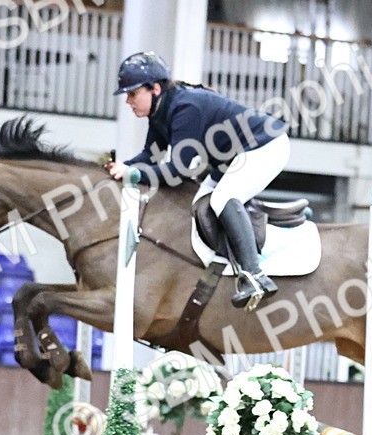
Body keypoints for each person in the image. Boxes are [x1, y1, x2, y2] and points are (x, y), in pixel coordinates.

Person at [105, 51, 289, 308]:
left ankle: (255, 276)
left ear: (155, 89)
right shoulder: (160, 112)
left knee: (223, 198)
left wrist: (132, 174)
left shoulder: (185, 108)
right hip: (232, 159)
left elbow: (178, 171)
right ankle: (224, 265)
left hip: (265, 145)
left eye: (133, 94)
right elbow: (150, 155)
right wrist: (123, 167)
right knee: (201, 201)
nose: (128, 101)